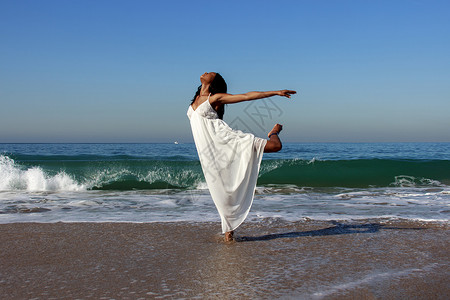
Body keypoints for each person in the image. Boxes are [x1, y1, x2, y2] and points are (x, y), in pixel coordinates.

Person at [187, 72, 296, 242]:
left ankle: (273, 132)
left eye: (210, 73)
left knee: (276, 146)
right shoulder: (194, 101)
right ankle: (229, 230)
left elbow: (246, 96)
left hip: (229, 141)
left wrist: (275, 92)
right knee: (221, 186)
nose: (206, 72)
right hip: (213, 150)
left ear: (213, 81)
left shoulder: (214, 98)